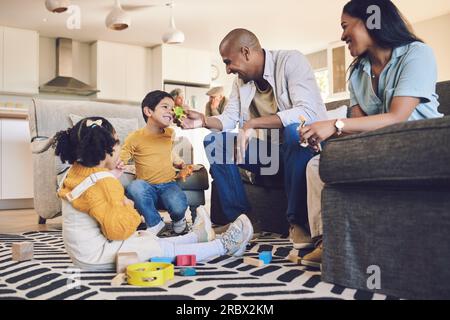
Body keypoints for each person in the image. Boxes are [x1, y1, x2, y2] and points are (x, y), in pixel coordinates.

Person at [300, 0, 443, 268]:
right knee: (316, 164)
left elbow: (397, 116)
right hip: (377, 150)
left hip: (420, 144)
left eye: (345, 26)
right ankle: (327, 242)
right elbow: (357, 129)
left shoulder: (416, 54)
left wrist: (335, 123)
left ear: (371, 21)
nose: (342, 35)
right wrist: (327, 138)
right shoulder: (356, 73)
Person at [181, 28, 328, 248]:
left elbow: (305, 113)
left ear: (246, 52)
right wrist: (202, 120)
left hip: (302, 149)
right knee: (215, 142)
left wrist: (252, 123)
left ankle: (298, 223)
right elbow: (228, 119)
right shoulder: (241, 82)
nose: (228, 70)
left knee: (293, 130)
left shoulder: (291, 61)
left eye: (229, 62)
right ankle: (241, 222)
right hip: (272, 155)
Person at [55, 116, 254, 270]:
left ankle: (195, 237)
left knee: (146, 238)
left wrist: (110, 176)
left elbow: (91, 197)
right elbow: (118, 230)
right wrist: (130, 209)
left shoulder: (74, 173)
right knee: (154, 247)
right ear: (106, 149)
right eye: (117, 142)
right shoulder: (105, 184)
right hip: (98, 257)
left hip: (83, 253)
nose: (119, 147)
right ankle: (224, 246)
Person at [120, 91, 191, 235]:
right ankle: (155, 222)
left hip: (168, 184)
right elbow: (122, 157)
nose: (170, 111)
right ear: (148, 111)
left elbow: (167, 151)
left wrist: (178, 162)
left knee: (178, 205)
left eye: (172, 108)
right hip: (146, 186)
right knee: (135, 187)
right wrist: (116, 164)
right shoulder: (135, 137)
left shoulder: (169, 133)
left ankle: (179, 220)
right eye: (165, 107)